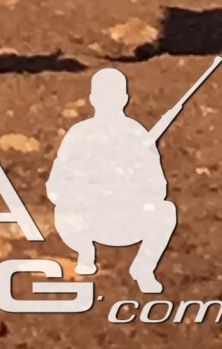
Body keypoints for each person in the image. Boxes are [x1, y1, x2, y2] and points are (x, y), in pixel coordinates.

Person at [46, 65, 183, 293]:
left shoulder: (136, 134)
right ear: (93, 99)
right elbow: (55, 187)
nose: (108, 101)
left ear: (124, 99)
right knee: (63, 210)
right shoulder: (79, 134)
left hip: (127, 219)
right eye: (104, 95)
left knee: (165, 211)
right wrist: (89, 186)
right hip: (87, 220)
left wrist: (128, 182)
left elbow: (158, 188)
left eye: (113, 95)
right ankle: (85, 252)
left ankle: (143, 267)